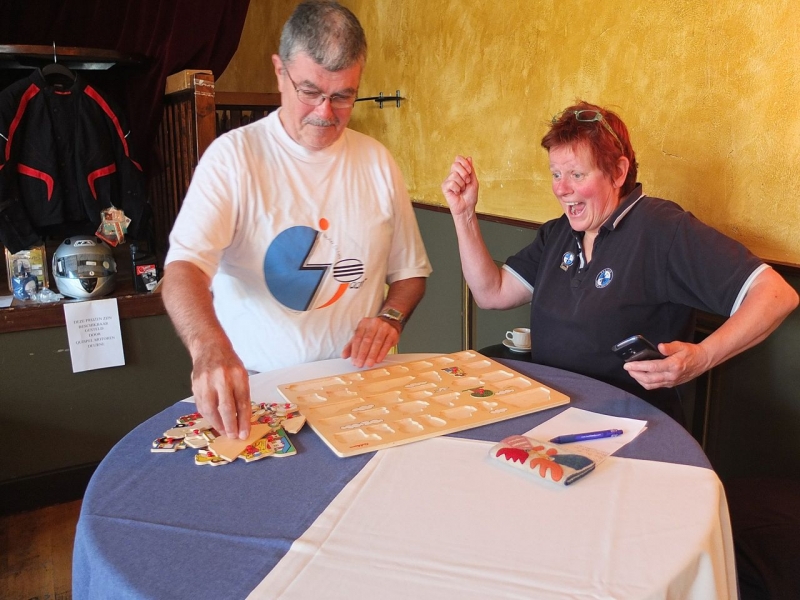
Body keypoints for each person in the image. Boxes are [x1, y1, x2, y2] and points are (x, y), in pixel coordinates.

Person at [163, 0, 431, 440]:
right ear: (279, 72)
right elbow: (183, 269)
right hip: (258, 389)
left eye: (343, 96)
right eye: (310, 91)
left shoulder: (378, 162)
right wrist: (208, 346)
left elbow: (410, 274)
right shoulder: (233, 158)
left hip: (360, 385)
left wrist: (390, 318)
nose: (325, 112)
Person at [441, 100, 798, 423]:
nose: (561, 188)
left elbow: (777, 294)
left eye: (576, 174)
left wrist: (702, 357)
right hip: (550, 418)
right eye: (556, 174)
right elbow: (491, 293)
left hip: (632, 431)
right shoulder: (558, 233)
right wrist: (464, 214)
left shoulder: (662, 228)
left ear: (618, 172)